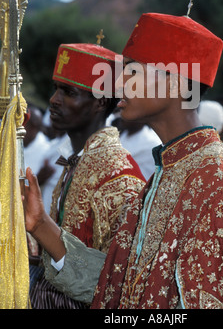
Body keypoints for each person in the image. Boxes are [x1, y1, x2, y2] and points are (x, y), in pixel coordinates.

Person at [24, 12, 223, 309]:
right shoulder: (167, 171)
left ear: (175, 85)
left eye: (133, 72)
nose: (119, 82)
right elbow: (118, 286)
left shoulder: (216, 180)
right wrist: (41, 224)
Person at [29, 42, 145, 308]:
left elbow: (115, 280)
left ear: (100, 103)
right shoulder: (79, 158)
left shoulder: (119, 179)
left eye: (68, 92)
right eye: (56, 89)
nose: (53, 100)